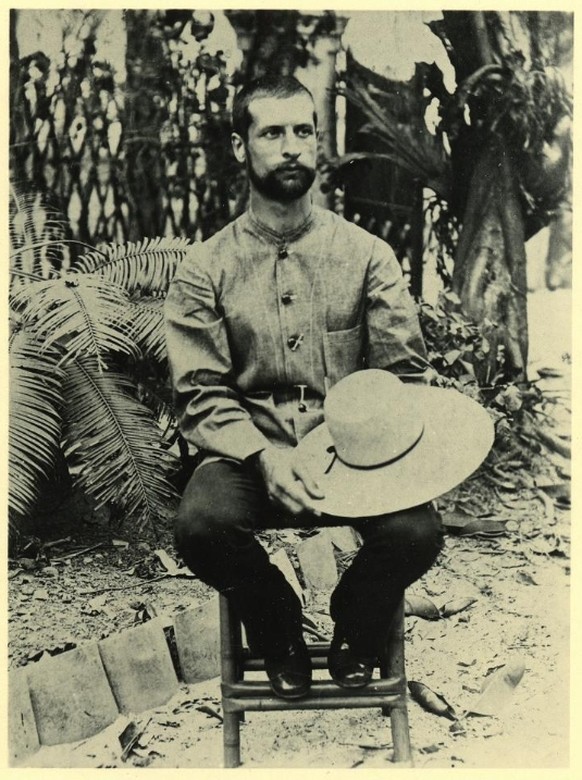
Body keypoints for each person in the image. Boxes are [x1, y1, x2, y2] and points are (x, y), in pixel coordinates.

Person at [164, 74, 444, 700]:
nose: (291, 147)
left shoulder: (368, 255)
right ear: (241, 147)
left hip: (352, 455)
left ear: (318, 141)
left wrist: (367, 441)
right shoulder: (205, 268)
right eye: (271, 133)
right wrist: (265, 456)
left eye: (302, 131)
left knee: (417, 532)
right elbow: (200, 392)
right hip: (248, 452)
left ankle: (355, 625)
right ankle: (277, 627)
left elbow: (404, 378)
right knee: (201, 527)